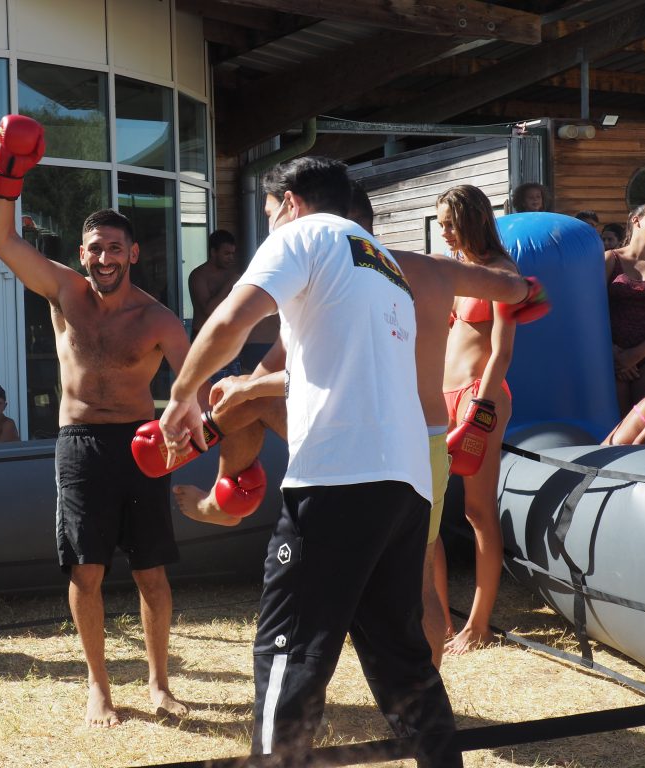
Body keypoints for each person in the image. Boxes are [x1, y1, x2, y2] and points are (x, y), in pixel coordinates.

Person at [161, 182, 545, 671]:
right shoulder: (425, 267)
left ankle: (224, 494)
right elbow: (520, 290)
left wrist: (483, 407)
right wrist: (529, 290)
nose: (275, 228)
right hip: (418, 429)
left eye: (274, 215)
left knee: (463, 527)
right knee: (422, 575)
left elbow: (334, 363)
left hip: (389, 423)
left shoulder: (346, 268)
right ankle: (425, 692)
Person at [159, 156, 461, 766]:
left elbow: (232, 319)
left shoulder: (304, 234)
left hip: (338, 481)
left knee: (288, 653)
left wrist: (181, 394)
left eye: (269, 214)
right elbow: (320, 369)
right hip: (405, 482)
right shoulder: (380, 263)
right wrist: (244, 394)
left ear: (291, 202)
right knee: (400, 657)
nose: (269, 227)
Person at [0, 114, 191, 727]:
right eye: (94, 249)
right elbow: (0, 239)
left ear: (133, 253)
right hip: (78, 445)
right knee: (87, 568)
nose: (104, 258)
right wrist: (7, 174)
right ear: (82, 254)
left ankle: (158, 682)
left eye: (114, 248)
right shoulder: (65, 293)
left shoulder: (159, 320)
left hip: (140, 442)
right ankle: (99, 686)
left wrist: (187, 438)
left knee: (152, 573)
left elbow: (192, 386)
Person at [438, 184, 520, 655]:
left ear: (472, 220)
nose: (445, 232)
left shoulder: (503, 273)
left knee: (477, 510)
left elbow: (502, 352)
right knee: (425, 509)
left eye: (450, 223)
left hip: (479, 397)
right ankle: (437, 615)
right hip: (445, 395)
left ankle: (479, 624)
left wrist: (480, 409)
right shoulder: (456, 270)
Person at [606, 202, 645, 414]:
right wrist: (610, 350)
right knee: (615, 426)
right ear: (636, 220)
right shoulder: (611, 259)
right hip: (609, 356)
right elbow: (589, 311)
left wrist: (636, 355)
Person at [188, 230, 240, 338]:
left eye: (232, 253)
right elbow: (209, 310)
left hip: (228, 335)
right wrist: (230, 283)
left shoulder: (231, 273)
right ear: (213, 252)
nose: (231, 258)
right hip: (203, 335)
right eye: (226, 254)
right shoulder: (198, 275)